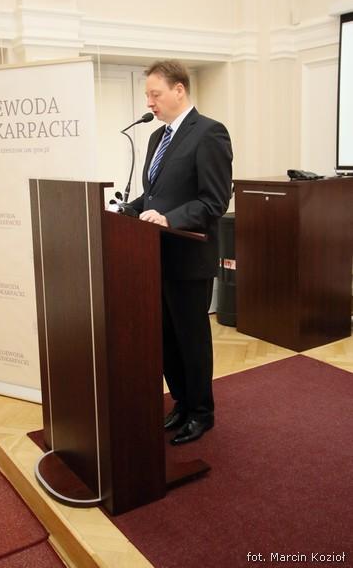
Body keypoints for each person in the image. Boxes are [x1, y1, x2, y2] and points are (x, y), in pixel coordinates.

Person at [129, 60, 233, 445]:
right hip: (154, 257)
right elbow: (154, 196)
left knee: (191, 340)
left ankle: (201, 413)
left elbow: (214, 201)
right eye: (147, 95)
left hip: (189, 259)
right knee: (166, 339)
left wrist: (169, 219)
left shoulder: (209, 133)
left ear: (179, 90)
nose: (149, 103)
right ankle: (181, 403)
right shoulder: (157, 137)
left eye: (155, 94)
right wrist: (127, 209)